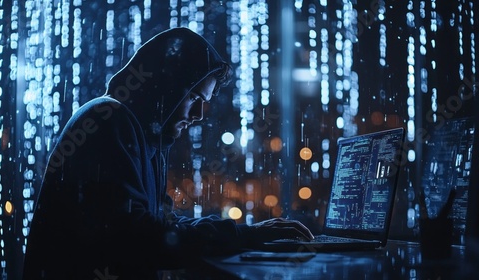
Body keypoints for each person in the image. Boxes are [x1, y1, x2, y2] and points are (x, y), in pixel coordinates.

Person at [22, 27, 313, 280]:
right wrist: (244, 235)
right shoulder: (109, 119)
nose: (200, 114)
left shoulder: (142, 136)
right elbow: (138, 239)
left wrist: (243, 233)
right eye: (195, 97)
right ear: (167, 87)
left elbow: (162, 226)